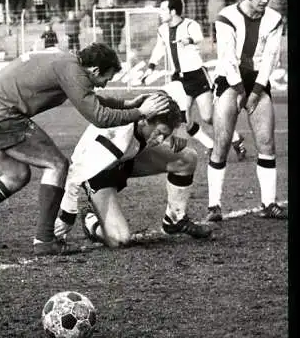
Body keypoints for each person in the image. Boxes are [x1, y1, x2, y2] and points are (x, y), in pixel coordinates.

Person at [0, 43, 170, 255]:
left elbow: (89, 98)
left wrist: (127, 104)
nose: (103, 83)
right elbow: (100, 117)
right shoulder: (72, 70)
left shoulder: (65, 61)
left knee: (16, 175)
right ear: (94, 70)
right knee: (56, 164)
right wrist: (141, 112)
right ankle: (44, 240)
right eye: (105, 78)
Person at [54, 85, 212, 247]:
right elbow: (76, 172)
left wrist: (181, 127)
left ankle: (174, 218)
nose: (160, 140)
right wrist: (67, 216)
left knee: (186, 158)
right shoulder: (115, 138)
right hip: (99, 172)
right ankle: (91, 222)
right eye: (159, 133)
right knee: (119, 239)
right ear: (144, 119)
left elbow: (176, 88)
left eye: (165, 135)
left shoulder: (147, 112)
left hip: (127, 157)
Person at [206, 0, 287, 222]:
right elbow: (227, 59)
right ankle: (214, 206)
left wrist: (255, 92)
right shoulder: (226, 16)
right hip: (230, 80)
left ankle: (269, 203)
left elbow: (271, 59)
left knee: (266, 143)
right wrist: (241, 91)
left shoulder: (274, 19)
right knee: (221, 142)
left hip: (257, 82)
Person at [141, 0, 246, 160]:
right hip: (178, 80)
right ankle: (210, 145)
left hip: (197, 76)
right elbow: (159, 49)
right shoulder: (162, 30)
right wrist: (150, 68)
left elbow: (198, 38)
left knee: (208, 117)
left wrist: (188, 40)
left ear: (173, 11)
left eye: (163, 9)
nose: (160, 13)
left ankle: (236, 139)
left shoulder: (190, 24)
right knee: (183, 120)